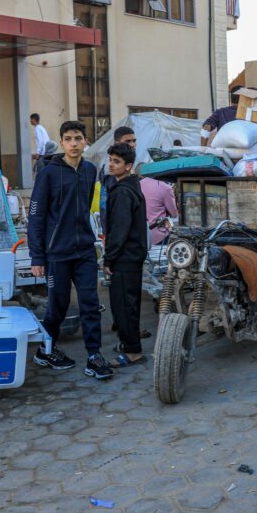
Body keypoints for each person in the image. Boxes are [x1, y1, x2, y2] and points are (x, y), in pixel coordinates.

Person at [28, 120, 114, 380]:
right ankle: (46, 349)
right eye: (68, 139)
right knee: (58, 306)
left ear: (85, 141)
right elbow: (36, 216)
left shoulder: (90, 170)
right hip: (57, 252)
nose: (74, 143)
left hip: (84, 250)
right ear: (62, 142)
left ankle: (94, 355)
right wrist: (37, 255)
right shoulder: (48, 173)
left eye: (78, 138)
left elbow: (87, 206)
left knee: (91, 303)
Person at [103, 143, 148, 368]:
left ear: (128, 166)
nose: (111, 164)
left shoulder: (122, 191)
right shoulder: (131, 186)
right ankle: (130, 344)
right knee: (129, 303)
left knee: (123, 305)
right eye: (110, 159)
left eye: (117, 161)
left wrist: (108, 258)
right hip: (132, 255)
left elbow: (119, 230)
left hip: (125, 257)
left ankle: (133, 352)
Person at [140, 171, 178, 245]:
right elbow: (174, 214)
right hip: (159, 235)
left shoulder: (138, 184)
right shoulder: (166, 188)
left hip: (140, 235)